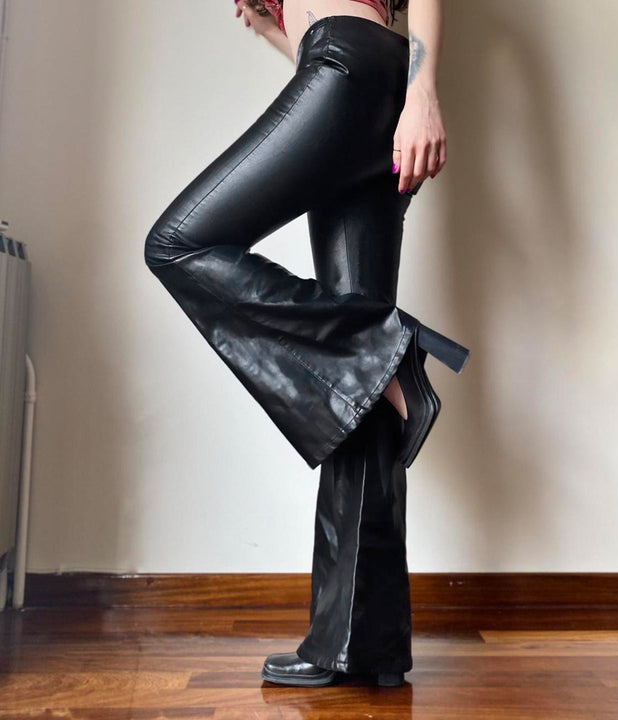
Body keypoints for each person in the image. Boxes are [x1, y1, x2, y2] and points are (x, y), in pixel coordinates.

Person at [144, 0, 469, 688]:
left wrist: (425, 92)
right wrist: (275, 29)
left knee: (177, 243)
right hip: (356, 79)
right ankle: (359, 646)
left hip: (351, 70)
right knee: (358, 399)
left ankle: (386, 354)